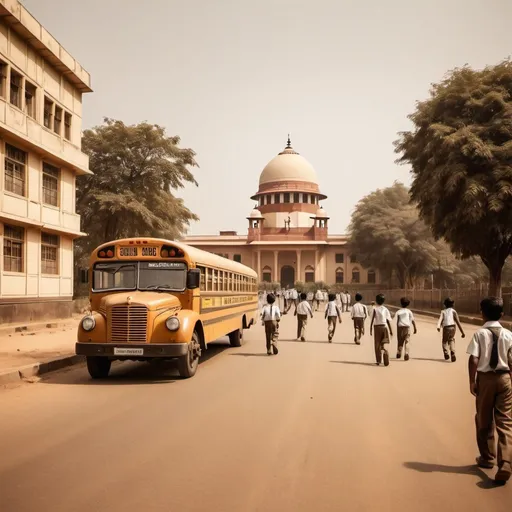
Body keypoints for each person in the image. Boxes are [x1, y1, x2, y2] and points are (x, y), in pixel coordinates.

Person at [467, 297, 512, 485]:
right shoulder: (509, 334)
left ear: (481, 313)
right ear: (502, 314)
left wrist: (472, 381)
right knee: (505, 421)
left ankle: (487, 457)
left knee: (484, 418)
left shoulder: (479, 334)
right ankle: (506, 462)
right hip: (505, 379)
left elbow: (474, 359)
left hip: (486, 379)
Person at [437, 297, 465, 362]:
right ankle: (452, 352)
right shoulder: (454, 311)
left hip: (446, 328)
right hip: (453, 327)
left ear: (445, 305)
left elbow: (440, 319)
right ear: (452, 304)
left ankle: (446, 353)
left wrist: (438, 326)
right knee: (451, 339)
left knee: (444, 341)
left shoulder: (443, 311)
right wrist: (462, 332)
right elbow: (458, 322)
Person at [370, 293, 393, 366]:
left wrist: (370, 328)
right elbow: (388, 320)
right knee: (383, 342)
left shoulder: (375, 309)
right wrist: (391, 330)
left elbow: (372, 319)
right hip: (384, 327)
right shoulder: (385, 309)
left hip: (377, 327)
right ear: (384, 301)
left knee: (377, 344)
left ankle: (378, 360)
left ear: (376, 301)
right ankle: (384, 351)